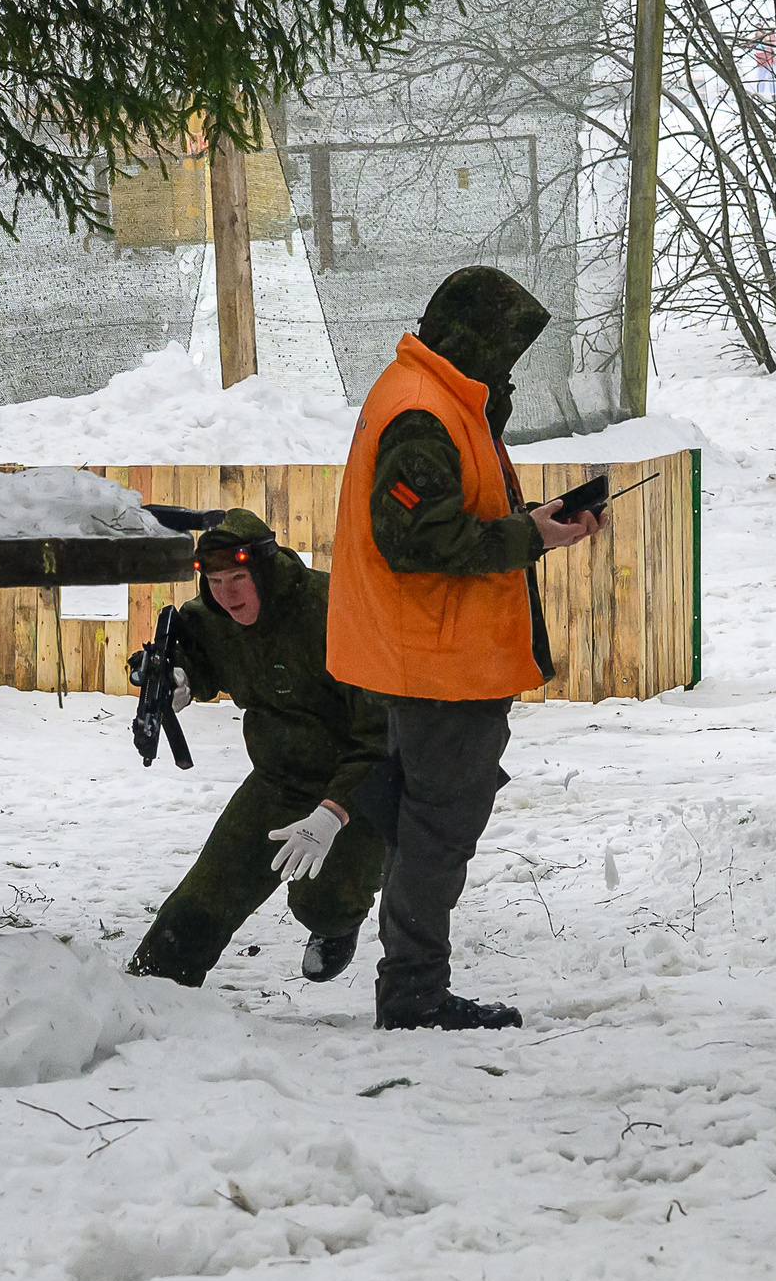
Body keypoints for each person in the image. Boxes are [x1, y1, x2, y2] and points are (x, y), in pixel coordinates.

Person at [326, 266, 603, 1032]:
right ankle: (412, 993)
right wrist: (533, 535)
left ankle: (386, 958)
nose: (509, 364)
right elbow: (419, 539)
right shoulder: (423, 410)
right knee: (438, 828)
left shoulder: (440, 397)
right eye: (506, 348)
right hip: (438, 663)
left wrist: (535, 522)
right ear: (473, 336)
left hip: (430, 654)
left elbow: (456, 512)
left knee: (422, 813)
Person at [126, 509, 388, 988]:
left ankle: (334, 926)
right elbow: (198, 656)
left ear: (263, 570)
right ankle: (151, 989)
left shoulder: (334, 609)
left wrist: (332, 814)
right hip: (280, 777)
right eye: (216, 580)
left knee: (323, 900)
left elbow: (384, 733)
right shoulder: (209, 617)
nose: (227, 594)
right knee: (206, 896)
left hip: (363, 783)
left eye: (239, 578)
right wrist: (178, 678)